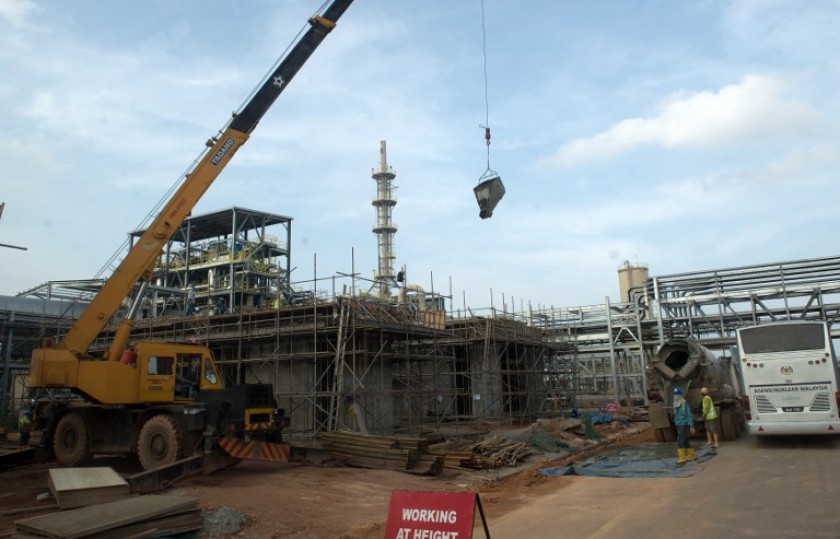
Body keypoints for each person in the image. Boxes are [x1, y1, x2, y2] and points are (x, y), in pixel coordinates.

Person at [673, 387, 694, 465]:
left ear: (680, 395)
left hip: (684, 424)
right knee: (685, 440)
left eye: (676, 394)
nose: (675, 396)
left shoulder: (684, 403)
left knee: (680, 440)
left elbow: (689, 414)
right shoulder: (675, 403)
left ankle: (682, 458)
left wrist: (691, 426)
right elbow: (676, 415)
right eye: (674, 394)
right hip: (679, 424)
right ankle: (690, 456)